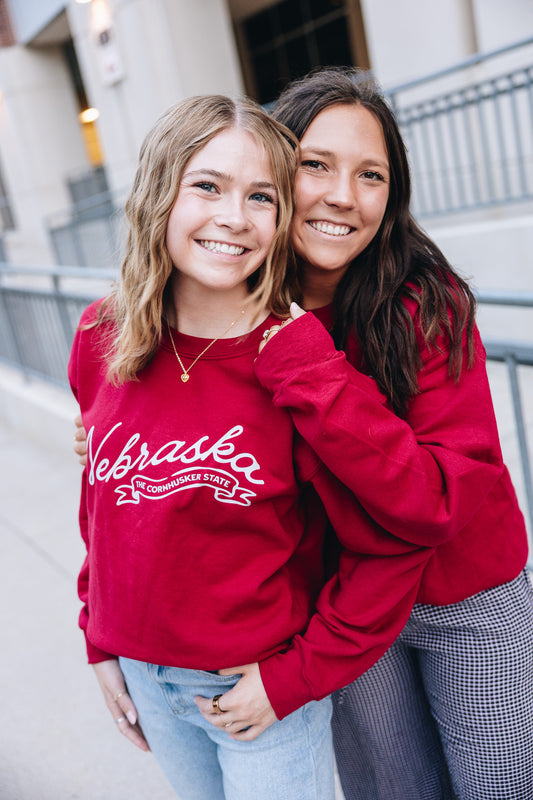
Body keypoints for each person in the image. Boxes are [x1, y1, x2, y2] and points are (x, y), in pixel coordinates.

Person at [69, 93, 432, 800]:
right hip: (144, 676)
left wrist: (293, 677)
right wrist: (97, 636)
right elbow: (101, 508)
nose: (233, 217)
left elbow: (389, 543)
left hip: (258, 695)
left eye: (261, 196)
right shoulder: (100, 335)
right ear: (158, 192)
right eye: (206, 185)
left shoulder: (299, 362)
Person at [251, 67, 532, 800]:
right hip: (348, 610)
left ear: (391, 194)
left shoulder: (426, 305)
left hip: (466, 598)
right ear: (274, 171)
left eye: (369, 174)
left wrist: (304, 363)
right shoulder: (240, 307)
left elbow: (436, 500)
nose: (343, 195)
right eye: (315, 164)